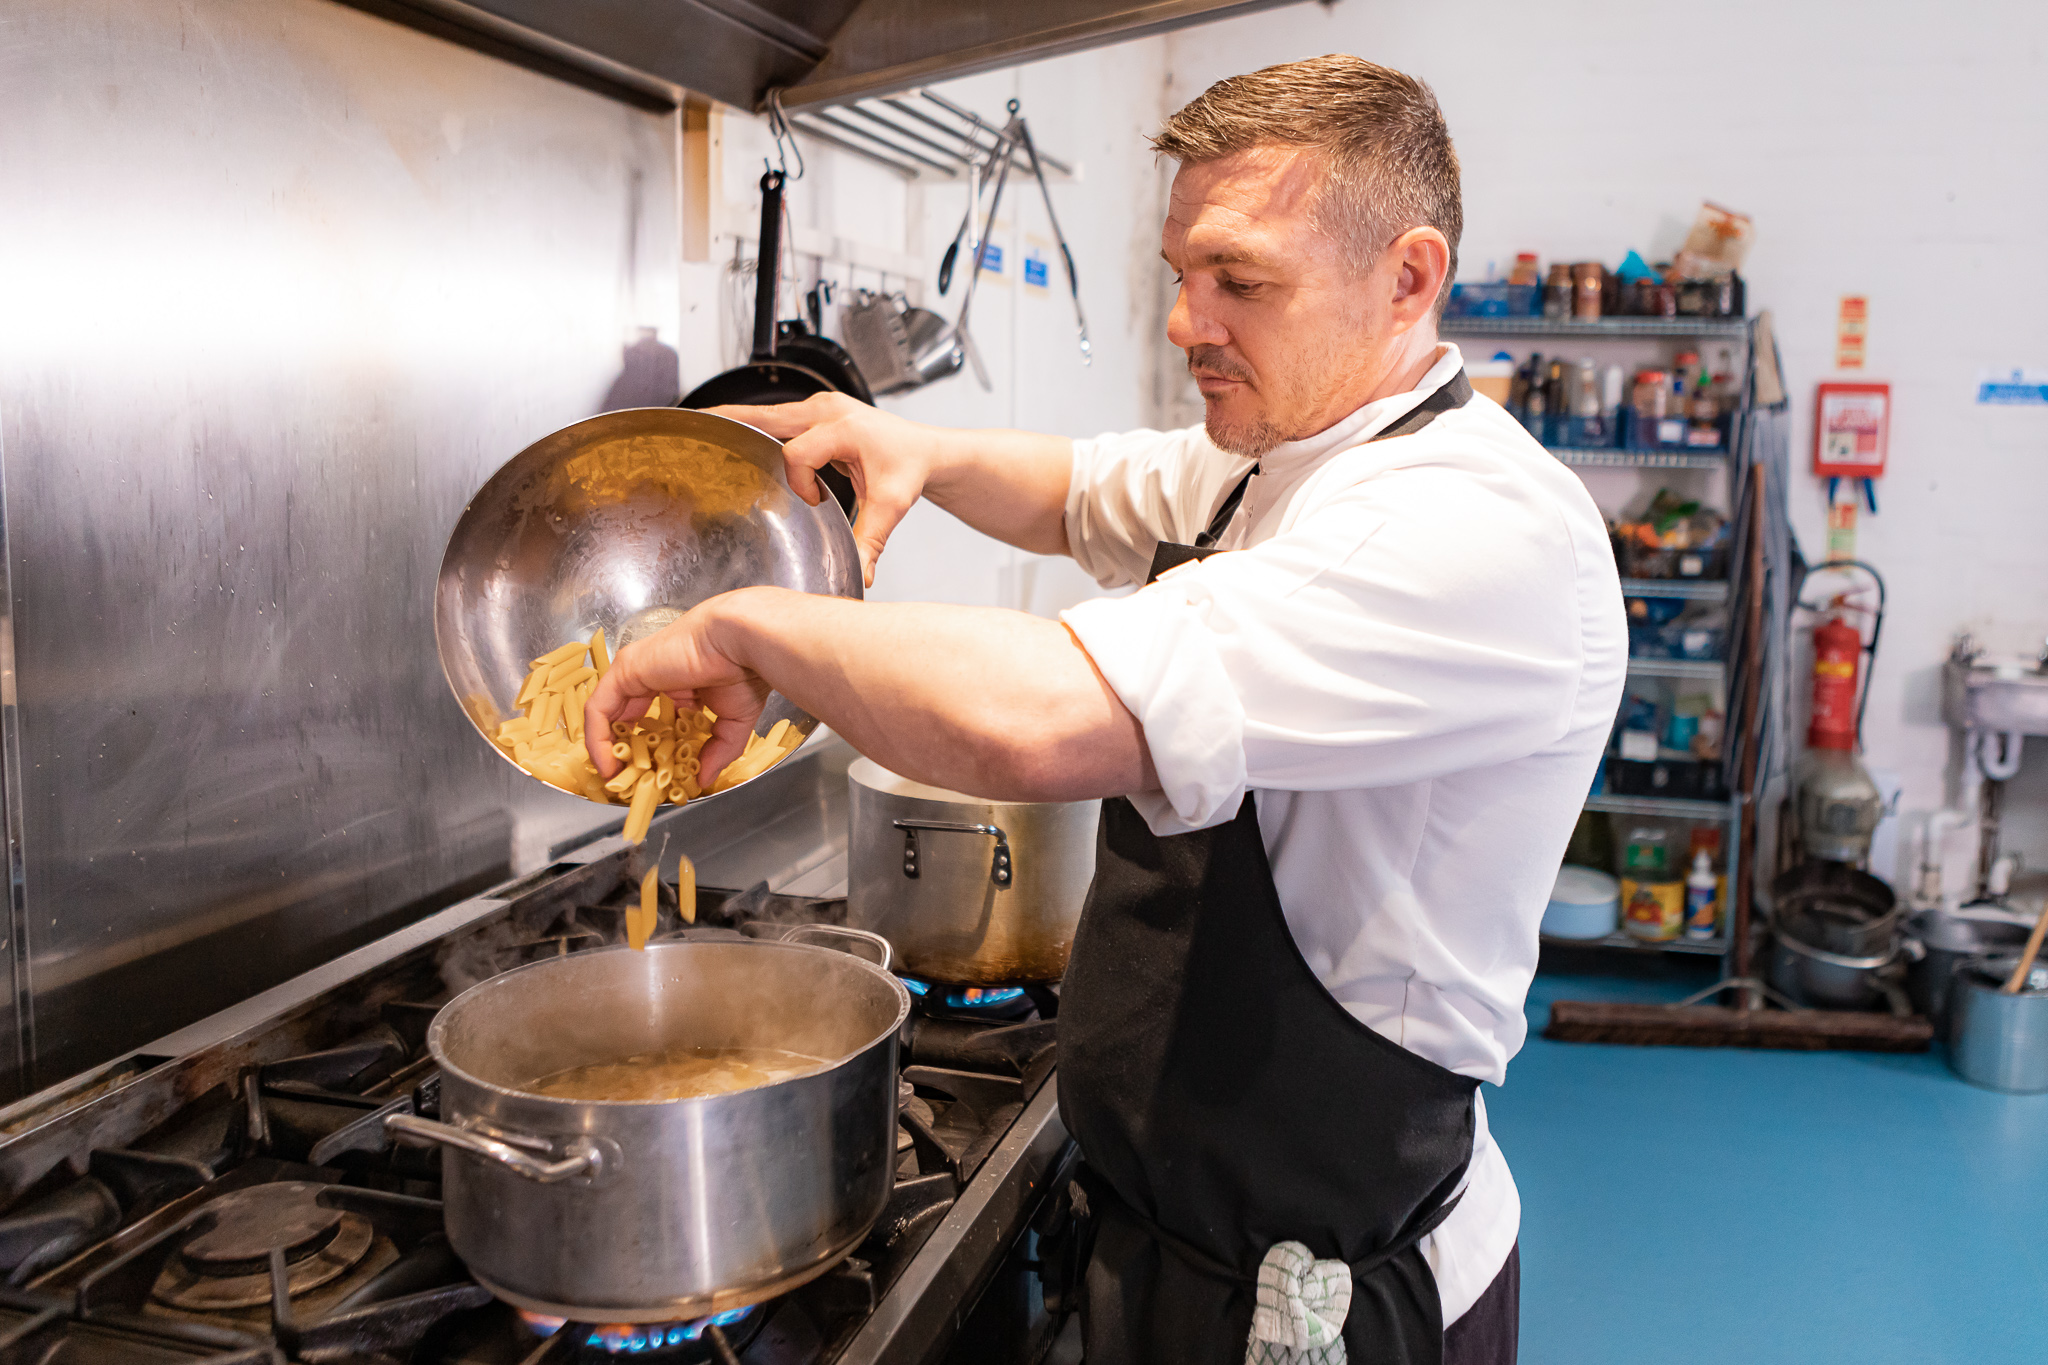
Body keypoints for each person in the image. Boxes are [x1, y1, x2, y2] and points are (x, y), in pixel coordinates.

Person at [586, 54, 1624, 1365]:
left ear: (1408, 279)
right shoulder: (1281, 456)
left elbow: (1042, 718)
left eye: (1239, 280)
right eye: (1182, 272)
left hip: (1317, 1298)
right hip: (1176, 1230)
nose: (1188, 321)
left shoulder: (1469, 529)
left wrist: (743, 627)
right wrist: (916, 448)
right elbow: (1083, 488)